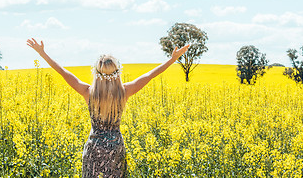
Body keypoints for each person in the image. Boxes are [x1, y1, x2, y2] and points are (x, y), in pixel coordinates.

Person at [27, 38, 190, 178]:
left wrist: (42, 53)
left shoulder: (88, 93)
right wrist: (172, 59)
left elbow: (62, 72)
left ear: (96, 72)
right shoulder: (124, 92)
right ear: (117, 73)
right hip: (115, 147)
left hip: (94, 147)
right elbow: (150, 75)